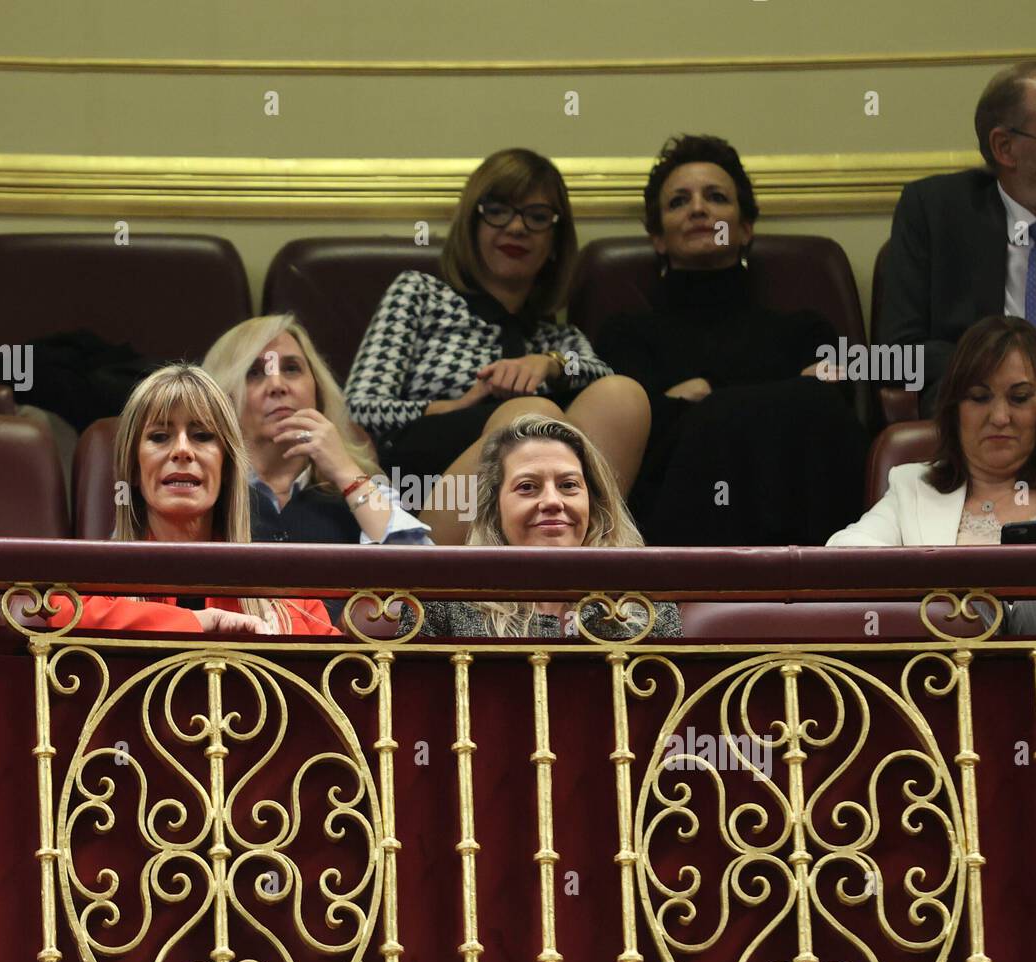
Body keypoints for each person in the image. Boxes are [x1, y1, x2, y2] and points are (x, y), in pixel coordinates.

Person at [345, 147, 653, 545]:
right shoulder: (420, 294)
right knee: (530, 417)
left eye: (537, 217)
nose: (517, 228)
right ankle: (449, 586)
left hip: (541, 503)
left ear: (555, 242)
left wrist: (550, 364)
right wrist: (452, 407)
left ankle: (586, 574)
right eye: (498, 210)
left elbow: (605, 381)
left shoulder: (558, 340)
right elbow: (358, 408)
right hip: (429, 481)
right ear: (472, 223)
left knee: (622, 396)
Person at [595, 134, 869, 546]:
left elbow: (830, 408)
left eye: (716, 197)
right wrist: (784, 393)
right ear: (658, 237)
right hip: (680, 528)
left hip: (797, 516)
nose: (699, 209)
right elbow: (638, 446)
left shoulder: (804, 329)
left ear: (744, 228)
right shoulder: (624, 335)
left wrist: (701, 402)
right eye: (678, 202)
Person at [48, 364, 338, 635]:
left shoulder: (291, 603)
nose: (183, 451)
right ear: (134, 469)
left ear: (226, 467)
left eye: (202, 436)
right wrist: (197, 622)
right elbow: (52, 613)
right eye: (160, 437)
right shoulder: (87, 589)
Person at [828, 316, 1036, 634]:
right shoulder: (912, 487)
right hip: (944, 676)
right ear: (954, 408)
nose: (1000, 417)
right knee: (966, 613)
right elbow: (841, 557)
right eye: (980, 397)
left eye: (1019, 398)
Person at [880, 61, 1036, 416]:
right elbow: (894, 356)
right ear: (1005, 148)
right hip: (985, 421)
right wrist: (1015, 365)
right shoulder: (937, 212)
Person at [400, 415, 682, 639]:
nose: (551, 501)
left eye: (568, 485)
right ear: (494, 508)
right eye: (527, 487)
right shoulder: (445, 603)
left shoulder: (645, 602)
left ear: (593, 503)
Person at [201, 314, 430, 547]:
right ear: (222, 398)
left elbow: (423, 572)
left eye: (291, 369)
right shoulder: (205, 489)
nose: (277, 386)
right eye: (255, 372)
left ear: (317, 390)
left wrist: (346, 473)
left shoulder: (358, 484)